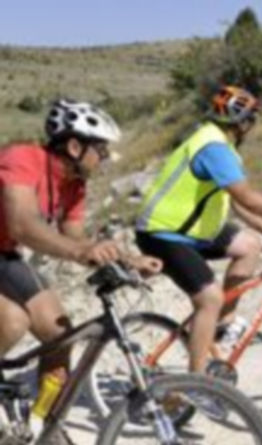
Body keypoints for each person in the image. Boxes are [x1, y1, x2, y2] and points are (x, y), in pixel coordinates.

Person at [0, 99, 162, 443]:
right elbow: (21, 225)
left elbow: (75, 236)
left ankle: (40, 425)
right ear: (74, 146)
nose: (104, 157)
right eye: (100, 149)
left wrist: (129, 260)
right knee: (12, 321)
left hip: (4, 256)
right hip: (9, 244)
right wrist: (79, 252)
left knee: (61, 335)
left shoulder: (74, 183)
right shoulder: (22, 159)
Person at [135, 86, 262, 375]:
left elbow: (235, 201)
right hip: (162, 233)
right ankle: (198, 381)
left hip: (192, 229)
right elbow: (247, 196)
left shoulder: (220, 144)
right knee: (209, 298)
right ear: (243, 122)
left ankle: (221, 324)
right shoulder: (213, 148)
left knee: (249, 245)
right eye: (251, 120)